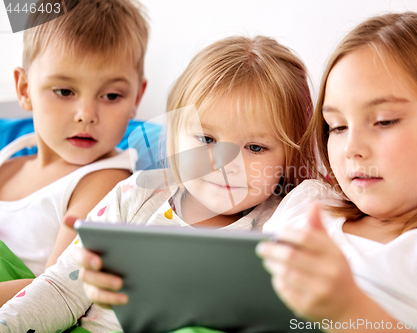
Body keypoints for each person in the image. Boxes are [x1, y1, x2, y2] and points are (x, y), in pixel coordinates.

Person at [0, 35, 313, 333]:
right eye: (206, 139)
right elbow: (61, 289)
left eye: (255, 148)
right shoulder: (136, 194)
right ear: (174, 134)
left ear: (291, 155)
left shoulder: (283, 223)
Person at [257, 11, 417, 332]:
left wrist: (348, 310)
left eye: (384, 121)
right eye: (337, 126)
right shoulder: (307, 204)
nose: (352, 148)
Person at [0, 0, 148, 305]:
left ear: (137, 97)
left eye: (111, 95)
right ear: (25, 89)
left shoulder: (106, 180)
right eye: (65, 91)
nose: (86, 114)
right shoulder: (9, 162)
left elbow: (56, 288)